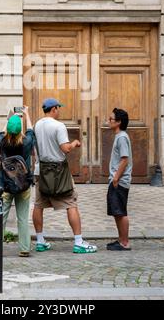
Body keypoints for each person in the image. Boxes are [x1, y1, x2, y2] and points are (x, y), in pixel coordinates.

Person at [33, 98, 97, 254]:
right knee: (71, 203)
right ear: (54, 109)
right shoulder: (59, 126)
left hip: (41, 170)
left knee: (39, 205)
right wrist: (74, 143)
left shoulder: (37, 125)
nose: (59, 111)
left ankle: (40, 241)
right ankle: (79, 241)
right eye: (58, 108)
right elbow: (65, 148)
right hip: (58, 171)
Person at [0, 106, 35, 258]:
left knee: (0, 217)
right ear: (20, 129)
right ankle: (24, 248)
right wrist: (26, 114)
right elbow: (31, 131)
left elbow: (1, 133)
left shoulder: (2, 142)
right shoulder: (26, 143)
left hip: (5, 185)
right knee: (22, 217)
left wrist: (9, 118)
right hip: (23, 185)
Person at [106, 108, 133, 251]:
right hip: (116, 179)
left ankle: (125, 242)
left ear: (119, 122)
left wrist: (116, 178)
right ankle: (121, 239)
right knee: (117, 211)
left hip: (119, 181)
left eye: (111, 119)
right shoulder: (119, 136)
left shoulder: (122, 137)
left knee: (121, 211)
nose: (108, 121)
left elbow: (124, 160)